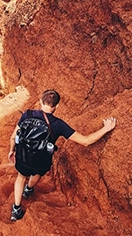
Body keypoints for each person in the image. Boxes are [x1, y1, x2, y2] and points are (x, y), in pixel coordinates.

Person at [8, 89, 117, 222]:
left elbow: (13, 136)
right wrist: (106, 128)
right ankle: (29, 189)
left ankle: (16, 209)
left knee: (21, 177)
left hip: (23, 156)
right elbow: (86, 141)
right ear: (57, 106)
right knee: (36, 174)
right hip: (41, 161)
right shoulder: (58, 125)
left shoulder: (27, 114)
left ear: (41, 101)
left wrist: (11, 151)